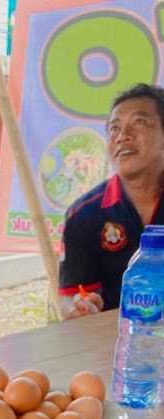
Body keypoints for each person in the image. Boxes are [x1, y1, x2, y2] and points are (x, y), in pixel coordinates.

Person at [58, 83, 164, 319]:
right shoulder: (83, 215)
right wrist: (78, 307)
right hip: (115, 345)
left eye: (139, 123)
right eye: (114, 129)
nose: (122, 136)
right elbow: (70, 296)